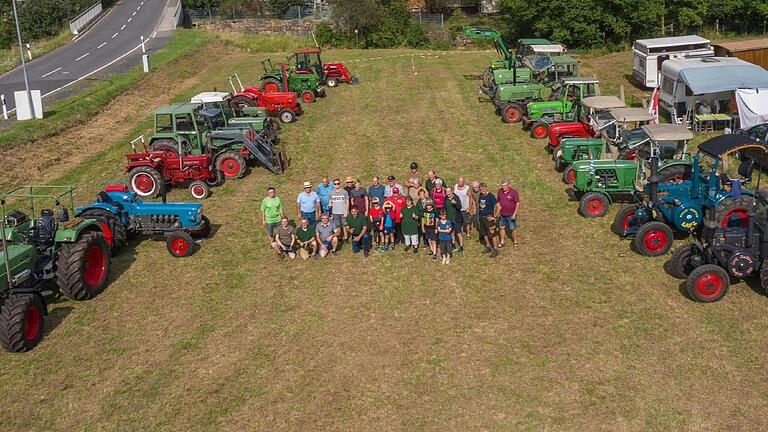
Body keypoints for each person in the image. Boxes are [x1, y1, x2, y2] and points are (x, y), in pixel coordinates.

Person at [477, 183, 500, 257]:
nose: (482, 191)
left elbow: (499, 207)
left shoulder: (491, 196)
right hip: (481, 217)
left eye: (483, 189)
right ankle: (488, 246)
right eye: (481, 190)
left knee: (492, 234)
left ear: (486, 188)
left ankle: (495, 249)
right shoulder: (480, 195)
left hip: (489, 218)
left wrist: (495, 217)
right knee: (484, 233)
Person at [497, 179, 520, 248]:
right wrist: (498, 212)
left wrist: (514, 214)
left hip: (511, 214)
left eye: (504, 186)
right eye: (502, 186)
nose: (503, 187)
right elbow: (498, 201)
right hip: (502, 214)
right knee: (501, 227)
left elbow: (517, 203)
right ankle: (502, 241)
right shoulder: (499, 191)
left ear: (508, 185)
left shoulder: (513, 192)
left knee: (512, 228)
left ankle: (515, 241)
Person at [444, 187, 464, 254]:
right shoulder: (446, 199)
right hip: (449, 219)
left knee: (458, 233)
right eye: (447, 192)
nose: (448, 193)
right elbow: (445, 208)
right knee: (451, 232)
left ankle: (461, 247)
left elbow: (460, 207)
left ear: (452, 191)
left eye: (449, 191)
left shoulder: (456, 197)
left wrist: (455, 203)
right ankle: (453, 245)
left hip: (456, 218)